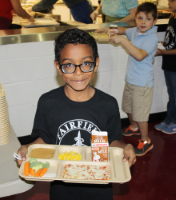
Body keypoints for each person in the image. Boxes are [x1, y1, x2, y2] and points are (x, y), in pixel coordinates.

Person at [16, 28, 136, 200]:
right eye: (69, 65)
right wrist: (28, 148)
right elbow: (44, 139)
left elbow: (112, 142)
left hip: (99, 188)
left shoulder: (107, 104)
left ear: (97, 63)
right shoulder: (48, 102)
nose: (78, 72)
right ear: (58, 66)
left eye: (86, 63)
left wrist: (125, 147)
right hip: (62, 190)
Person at [95, 2, 158, 156]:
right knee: (128, 107)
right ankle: (134, 127)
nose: (143, 22)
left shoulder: (152, 38)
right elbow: (123, 30)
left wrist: (123, 40)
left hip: (142, 84)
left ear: (154, 21)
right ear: (135, 18)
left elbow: (139, 55)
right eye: (140, 18)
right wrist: (108, 30)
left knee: (140, 114)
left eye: (148, 19)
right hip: (131, 79)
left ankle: (145, 141)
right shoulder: (135, 31)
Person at [154, 0, 176, 134]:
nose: (169, 3)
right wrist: (164, 43)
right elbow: (172, 40)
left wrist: (164, 52)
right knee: (172, 95)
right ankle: (169, 119)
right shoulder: (172, 18)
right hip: (169, 64)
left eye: (172, 0)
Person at [26, 0, 93, 24]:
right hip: (79, 7)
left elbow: (47, 2)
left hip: (82, 7)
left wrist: (32, 8)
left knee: (86, 32)